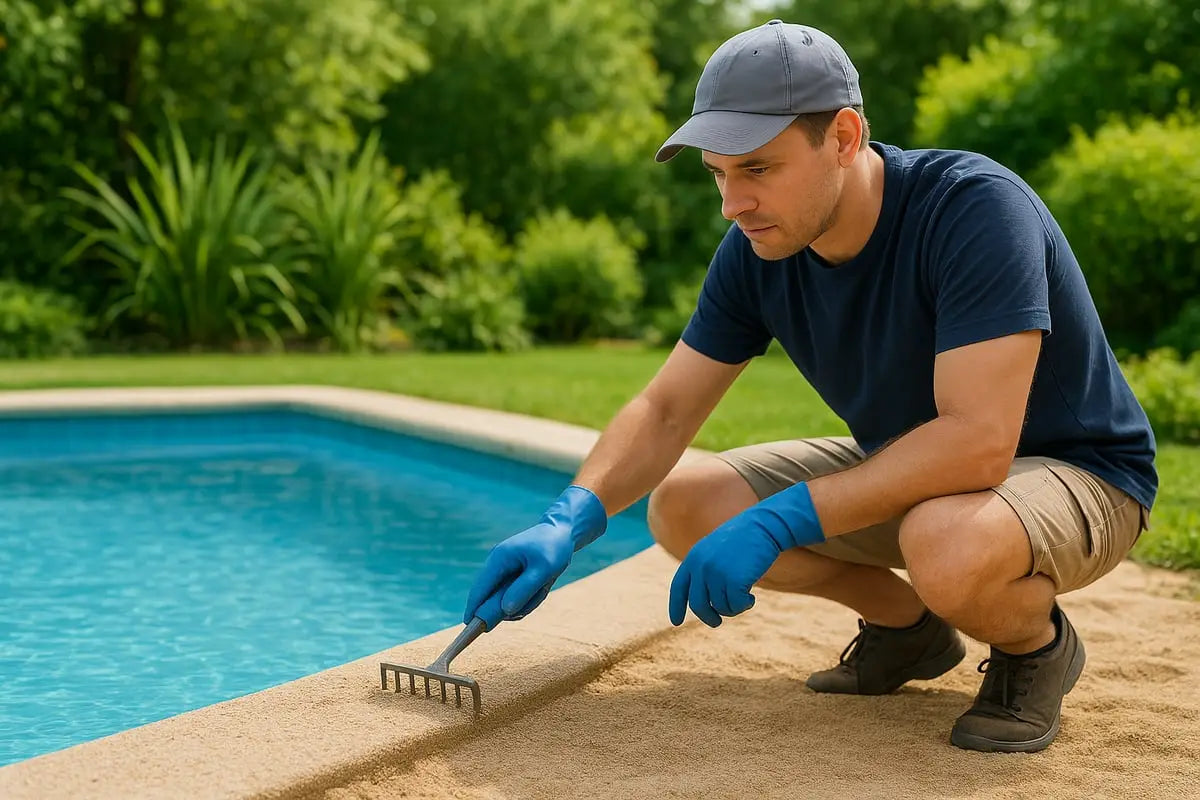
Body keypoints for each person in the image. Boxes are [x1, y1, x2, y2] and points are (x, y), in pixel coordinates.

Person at [461, 19, 1157, 754]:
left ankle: (1035, 649)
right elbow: (666, 410)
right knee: (688, 504)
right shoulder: (756, 250)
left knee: (944, 543)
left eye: (757, 169)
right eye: (718, 173)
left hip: (1081, 474)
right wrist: (569, 516)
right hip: (922, 472)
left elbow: (979, 443)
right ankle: (907, 630)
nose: (733, 203)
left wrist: (779, 520)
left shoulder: (973, 209)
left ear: (845, 137)